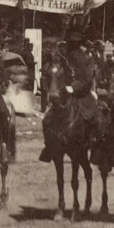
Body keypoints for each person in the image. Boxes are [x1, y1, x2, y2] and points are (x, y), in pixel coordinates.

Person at [39, 30, 99, 163]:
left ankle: (94, 146)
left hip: (82, 95)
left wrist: (73, 87)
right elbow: (60, 73)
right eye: (71, 42)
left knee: (95, 116)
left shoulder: (87, 58)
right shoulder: (63, 57)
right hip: (64, 92)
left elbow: (87, 79)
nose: (73, 45)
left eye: (75, 43)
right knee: (46, 119)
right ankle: (49, 146)